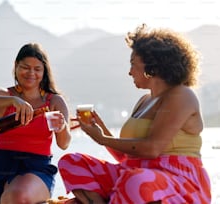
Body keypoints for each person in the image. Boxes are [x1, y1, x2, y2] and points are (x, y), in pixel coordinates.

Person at [58, 24, 211, 204]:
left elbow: (152, 149)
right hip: (132, 174)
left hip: (176, 180)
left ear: (151, 66)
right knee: (72, 162)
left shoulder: (181, 95)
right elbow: (127, 157)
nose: (130, 72)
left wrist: (102, 139)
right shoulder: (144, 101)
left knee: (135, 181)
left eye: (133, 64)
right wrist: (102, 131)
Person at [0, 43, 72, 204]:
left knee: (15, 197)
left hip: (35, 167)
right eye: (25, 67)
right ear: (16, 66)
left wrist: (62, 127)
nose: (31, 73)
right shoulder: (4, 95)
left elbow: (64, 144)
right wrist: (13, 100)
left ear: (44, 72)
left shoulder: (54, 101)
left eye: (37, 69)